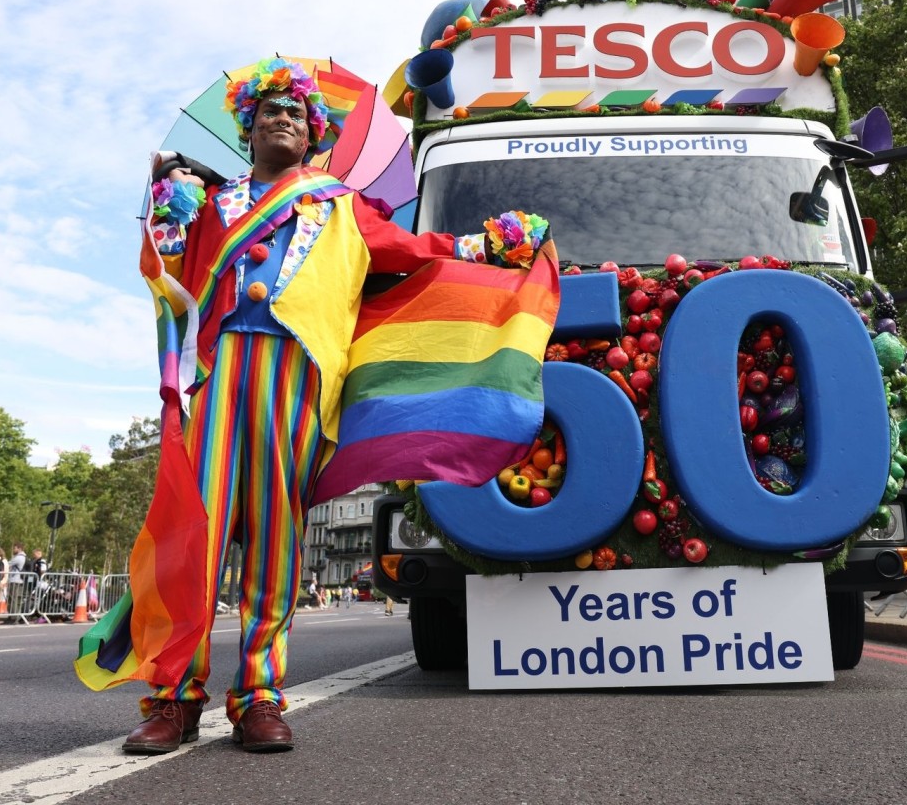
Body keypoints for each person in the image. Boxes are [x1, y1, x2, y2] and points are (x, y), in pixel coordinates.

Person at [75, 57, 554, 756]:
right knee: (194, 539)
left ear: (313, 134)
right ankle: (175, 698)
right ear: (249, 127)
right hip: (217, 374)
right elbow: (167, 271)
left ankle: (260, 695)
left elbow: (418, 252)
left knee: (275, 542)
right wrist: (165, 208)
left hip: (296, 380)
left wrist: (493, 243)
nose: (282, 118)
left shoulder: (343, 207)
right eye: (269, 109)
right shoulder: (211, 205)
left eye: (295, 113)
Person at [7, 543, 28, 616]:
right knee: (16, 600)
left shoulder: (18, 558)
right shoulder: (24, 557)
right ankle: (15, 616)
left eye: (15, 548)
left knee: (12, 599)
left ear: (19, 549)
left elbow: (7, 564)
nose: (13, 550)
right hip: (20, 580)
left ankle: (13, 617)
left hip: (14, 580)